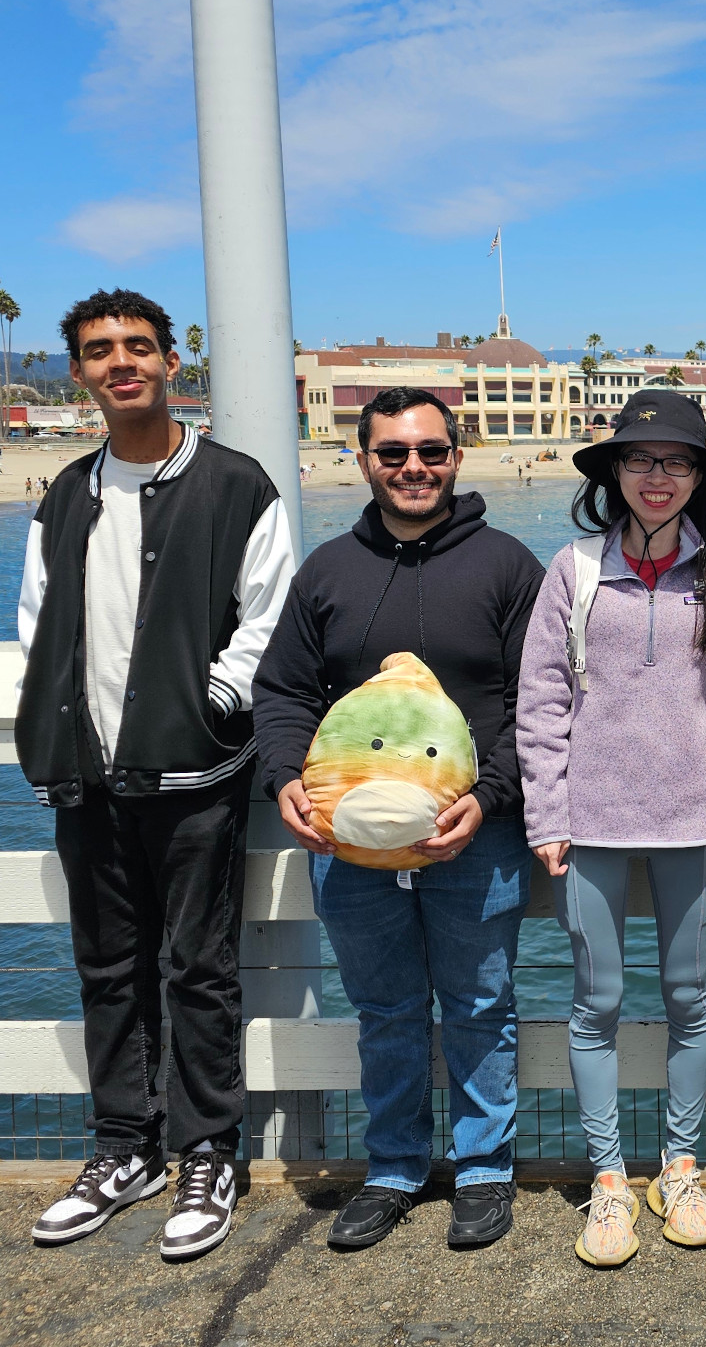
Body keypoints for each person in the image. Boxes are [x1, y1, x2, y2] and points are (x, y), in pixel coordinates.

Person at [23, 290, 296, 1259]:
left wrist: (212, 701)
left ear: (172, 362)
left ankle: (208, 1152)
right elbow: (37, 622)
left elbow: (268, 615)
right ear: (81, 372)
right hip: (85, 777)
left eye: (138, 347)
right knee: (105, 968)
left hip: (194, 778)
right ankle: (123, 1149)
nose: (120, 363)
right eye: (100, 351)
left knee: (200, 970)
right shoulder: (65, 494)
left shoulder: (234, 486)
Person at [253, 387, 544, 1251]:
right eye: (392, 453)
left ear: (458, 456)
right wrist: (284, 782)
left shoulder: (506, 565)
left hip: (475, 833)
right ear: (364, 461)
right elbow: (283, 694)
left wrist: (489, 796)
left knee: (481, 1002)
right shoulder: (327, 572)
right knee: (382, 1007)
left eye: (430, 451)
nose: (412, 467)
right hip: (343, 841)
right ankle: (394, 1166)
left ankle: (485, 1167)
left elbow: (542, 704)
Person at [516, 391, 706, 1267]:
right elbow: (540, 703)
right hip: (591, 824)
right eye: (640, 460)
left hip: (692, 821)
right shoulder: (572, 570)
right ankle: (610, 1181)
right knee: (598, 1002)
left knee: (690, 999)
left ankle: (680, 1167)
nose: (658, 478)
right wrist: (547, 811)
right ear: (614, 472)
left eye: (678, 462)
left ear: (700, 478)